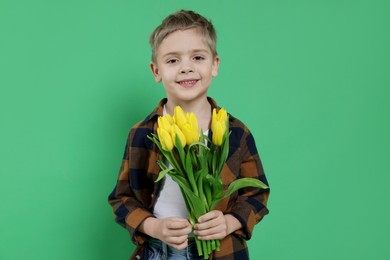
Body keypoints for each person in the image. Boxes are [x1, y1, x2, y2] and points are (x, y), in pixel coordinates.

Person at [108, 9, 270, 260]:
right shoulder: (142, 133)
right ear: (156, 70)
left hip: (221, 251)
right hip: (159, 250)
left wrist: (229, 222)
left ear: (214, 64)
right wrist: (154, 227)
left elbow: (257, 195)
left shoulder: (235, 132)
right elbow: (122, 198)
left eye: (197, 57)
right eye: (173, 60)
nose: (186, 68)